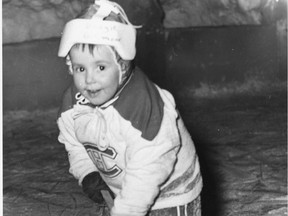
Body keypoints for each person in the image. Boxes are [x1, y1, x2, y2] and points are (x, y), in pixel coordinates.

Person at [57, 0, 203, 215]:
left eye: (100, 67)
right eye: (80, 68)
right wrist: (88, 172)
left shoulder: (144, 107)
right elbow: (75, 143)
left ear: (122, 67)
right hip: (124, 192)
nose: (89, 79)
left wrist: (127, 210)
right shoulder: (73, 106)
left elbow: (149, 168)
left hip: (170, 194)